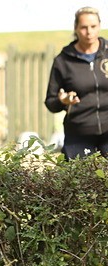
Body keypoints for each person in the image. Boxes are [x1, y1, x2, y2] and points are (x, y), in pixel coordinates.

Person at [45, 7, 108, 159]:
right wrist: (63, 101)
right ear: (76, 29)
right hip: (78, 137)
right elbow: (51, 102)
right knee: (80, 181)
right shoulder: (63, 61)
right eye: (84, 27)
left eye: (93, 26)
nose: (89, 32)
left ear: (99, 26)